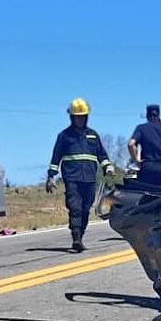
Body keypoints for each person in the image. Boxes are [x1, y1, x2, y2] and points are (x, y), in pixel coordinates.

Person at [46, 98, 114, 252]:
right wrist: (51, 177)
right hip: (72, 177)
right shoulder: (64, 136)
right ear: (72, 117)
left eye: (83, 116)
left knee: (85, 209)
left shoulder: (93, 135)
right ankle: (75, 238)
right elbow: (55, 157)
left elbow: (101, 155)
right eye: (77, 116)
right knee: (75, 207)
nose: (80, 119)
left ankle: (80, 236)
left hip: (89, 178)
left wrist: (107, 168)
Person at [127, 104, 161, 187]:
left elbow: (131, 144)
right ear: (159, 115)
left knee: (145, 196)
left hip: (147, 166)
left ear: (147, 116)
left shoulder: (141, 128)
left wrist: (137, 161)